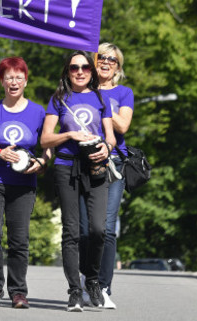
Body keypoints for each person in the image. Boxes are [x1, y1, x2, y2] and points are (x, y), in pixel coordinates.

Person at [0, 57, 52, 309]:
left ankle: (18, 291)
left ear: (26, 81)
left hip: (23, 183)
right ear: (2, 81)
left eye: (19, 77)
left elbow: (48, 146)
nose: (14, 82)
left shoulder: (38, 112)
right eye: (9, 77)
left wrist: (42, 161)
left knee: (19, 239)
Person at [40, 50, 116, 312]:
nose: (80, 71)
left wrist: (106, 147)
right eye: (74, 67)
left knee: (98, 229)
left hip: (96, 166)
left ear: (91, 71)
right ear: (67, 71)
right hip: (65, 166)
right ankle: (74, 290)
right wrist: (69, 134)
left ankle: (92, 279)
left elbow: (111, 136)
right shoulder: (58, 98)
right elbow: (46, 139)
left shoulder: (100, 97)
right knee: (71, 232)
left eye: (85, 67)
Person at [78, 43, 133, 309]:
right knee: (86, 229)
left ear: (118, 67)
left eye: (113, 59)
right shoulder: (79, 88)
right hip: (83, 162)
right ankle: (86, 278)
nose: (106, 62)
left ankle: (103, 286)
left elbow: (122, 125)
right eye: (101, 57)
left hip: (113, 164)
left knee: (107, 228)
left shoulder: (123, 93)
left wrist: (98, 103)